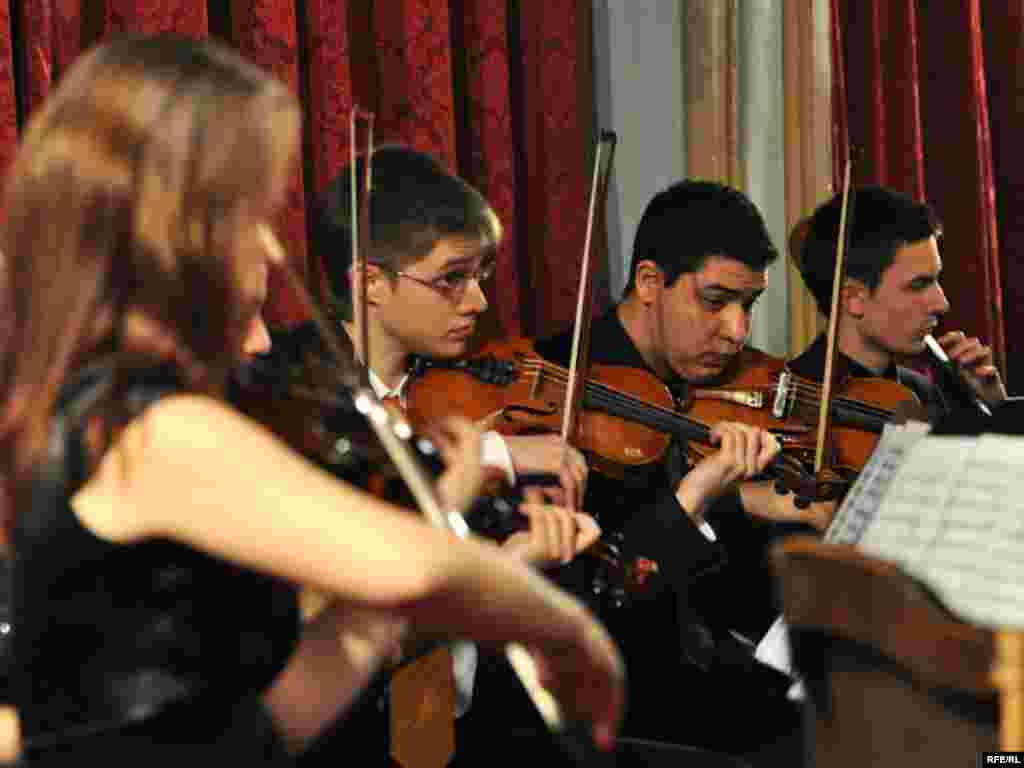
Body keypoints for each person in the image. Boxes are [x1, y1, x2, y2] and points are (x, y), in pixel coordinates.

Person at [0, 34, 623, 765]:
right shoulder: (146, 429)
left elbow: (261, 730)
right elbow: (420, 570)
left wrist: (435, 516)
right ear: (178, 235)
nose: (270, 253)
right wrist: (568, 634)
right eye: (250, 218)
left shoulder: (97, 413)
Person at [304, 145, 606, 767]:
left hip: (467, 729)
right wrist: (495, 454)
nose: (479, 302)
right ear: (369, 283)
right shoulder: (311, 406)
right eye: (451, 279)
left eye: (480, 276)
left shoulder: (443, 397)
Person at [533, 179, 821, 765]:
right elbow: (600, 600)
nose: (738, 332)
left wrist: (754, 504)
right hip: (612, 694)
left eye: (749, 305)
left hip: (705, 665)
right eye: (715, 302)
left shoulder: (711, 387)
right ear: (648, 283)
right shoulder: (557, 392)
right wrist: (699, 495)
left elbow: (728, 588)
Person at [792, 185, 1007, 421]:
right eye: (918, 285)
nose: (942, 304)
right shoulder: (794, 399)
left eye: (936, 280)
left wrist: (994, 409)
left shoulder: (927, 395)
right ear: (853, 298)